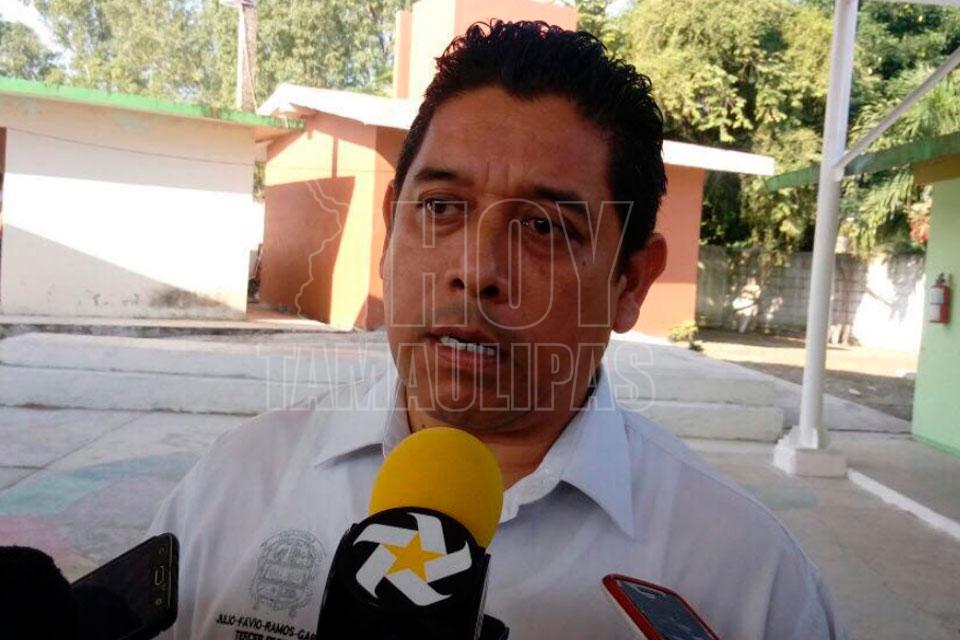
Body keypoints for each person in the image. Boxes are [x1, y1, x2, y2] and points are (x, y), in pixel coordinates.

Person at [149, 21, 846, 639]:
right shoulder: (236, 486)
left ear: (630, 282)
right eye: (441, 207)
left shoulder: (749, 581)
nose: (476, 270)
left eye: (544, 226)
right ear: (391, 230)